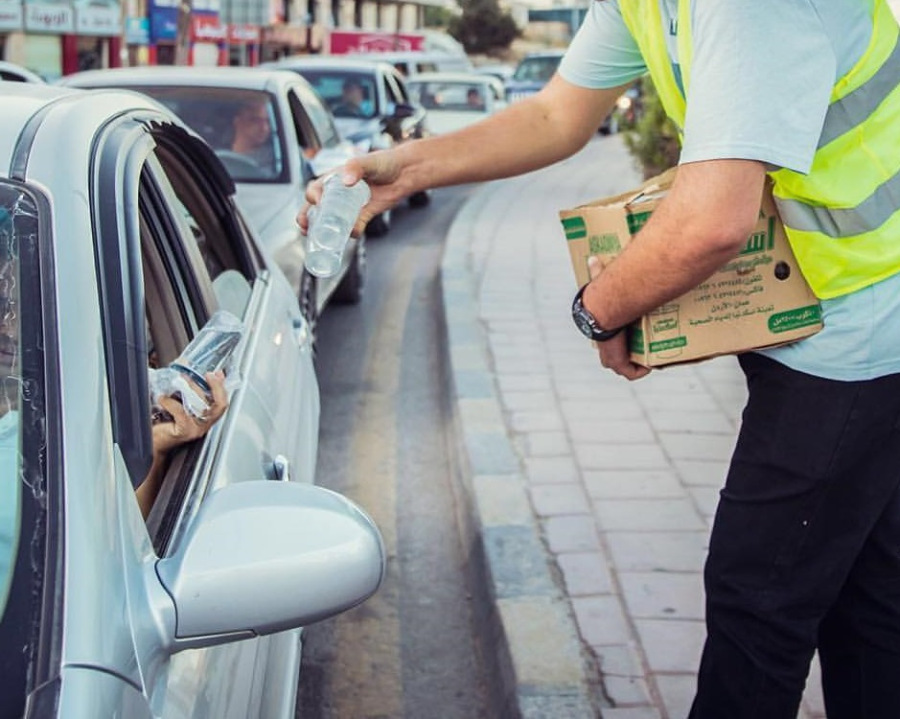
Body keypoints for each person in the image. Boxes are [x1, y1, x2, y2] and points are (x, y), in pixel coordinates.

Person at [299, 2, 900, 718]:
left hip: (863, 326)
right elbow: (558, 115)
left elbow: (712, 220)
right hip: (842, 311)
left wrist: (601, 306)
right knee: (865, 598)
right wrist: (408, 171)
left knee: (759, 602)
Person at [230, 98, 275, 171]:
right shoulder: (214, 152)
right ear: (238, 122)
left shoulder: (277, 159)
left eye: (267, 121)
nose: (264, 128)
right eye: (256, 121)